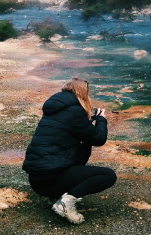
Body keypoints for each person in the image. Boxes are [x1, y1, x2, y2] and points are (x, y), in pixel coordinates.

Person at [22, 77, 117, 224]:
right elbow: (99, 139)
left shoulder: (55, 109)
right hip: (50, 180)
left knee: (84, 145)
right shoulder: (75, 112)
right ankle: (65, 202)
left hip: (37, 180)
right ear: (82, 94)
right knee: (108, 176)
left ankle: (56, 196)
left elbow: (72, 131)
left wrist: (88, 120)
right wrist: (101, 119)